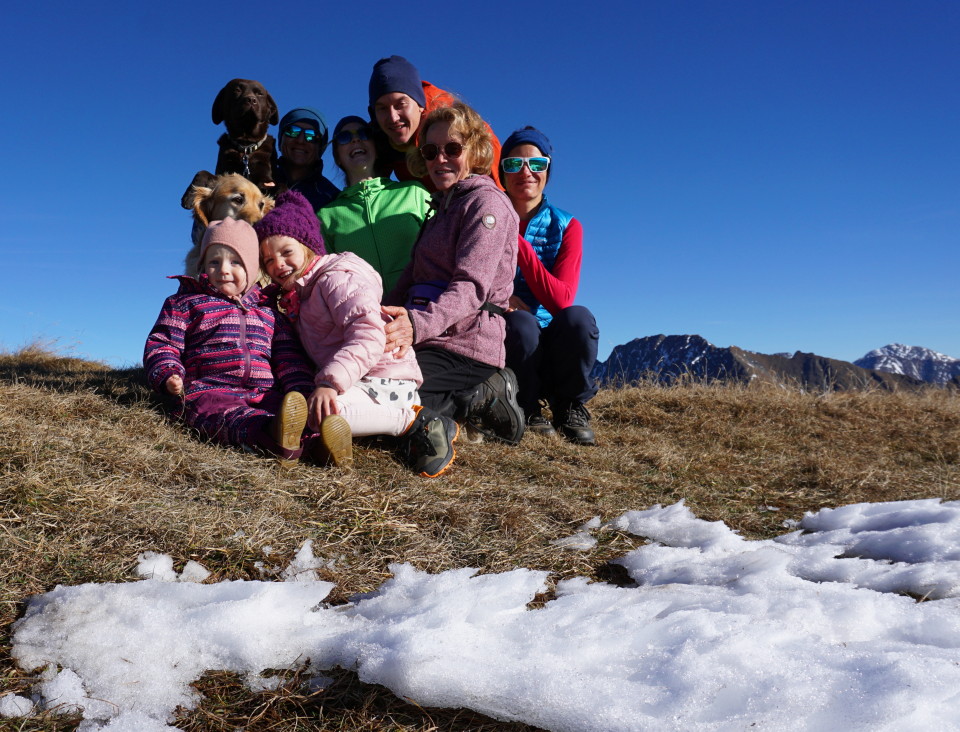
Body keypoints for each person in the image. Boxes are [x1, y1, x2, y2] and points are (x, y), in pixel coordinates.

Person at [256, 190, 458, 477]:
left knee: (328, 410)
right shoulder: (300, 294)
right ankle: (326, 441)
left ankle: (416, 420)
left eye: (286, 252)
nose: (277, 264)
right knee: (319, 410)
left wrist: (329, 382)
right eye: (268, 261)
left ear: (308, 245)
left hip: (387, 379)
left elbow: (369, 334)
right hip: (359, 379)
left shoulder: (335, 279)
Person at [382, 102, 524, 445]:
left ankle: (480, 396)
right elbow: (410, 279)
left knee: (396, 401)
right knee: (376, 381)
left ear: (474, 151)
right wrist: (381, 319)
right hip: (431, 336)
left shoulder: (486, 204)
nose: (440, 159)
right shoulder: (440, 206)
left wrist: (414, 326)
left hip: (467, 343)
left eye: (452, 148)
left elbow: (471, 287)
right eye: (431, 151)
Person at [144, 218, 315, 464]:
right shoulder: (185, 303)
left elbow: (287, 357)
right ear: (202, 266)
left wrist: (300, 389)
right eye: (214, 261)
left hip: (263, 392)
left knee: (283, 409)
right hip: (208, 390)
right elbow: (163, 343)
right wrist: (168, 372)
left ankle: (318, 441)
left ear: (252, 270)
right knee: (217, 415)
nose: (224, 269)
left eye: (235, 262)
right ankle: (271, 433)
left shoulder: (269, 313)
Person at [499, 127, 599, 445]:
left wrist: (517, 244)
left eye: (536, 164)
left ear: (547, 170)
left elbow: (562, 301)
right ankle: (526, 408)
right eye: (513, 164)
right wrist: (502, 296)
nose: (525, 172)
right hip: (508, 336)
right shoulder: (484, 218)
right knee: (521, 323)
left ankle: (568, 405)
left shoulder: (567, 225)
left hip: (552, 340)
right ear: (501, 173)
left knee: (579, 319)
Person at [318, 115, 431, 294]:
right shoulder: (326, 216)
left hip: (419, 310)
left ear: (376, 149)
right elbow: (326, 280)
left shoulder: (413, 192)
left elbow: (444, 250)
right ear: (337, 157)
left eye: (364, 134)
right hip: (362, 317)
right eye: (344, 137)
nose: (355, 139)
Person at [367, 55, 502, 191]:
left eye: (401, 104)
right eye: (382, 108)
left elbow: (504, 191)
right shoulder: (374, 140)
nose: (393, 118)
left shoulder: (465, 128)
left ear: (420, 104)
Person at [274, 107, 340, 212]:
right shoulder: (257, 183)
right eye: (292, 131)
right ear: (280, 139)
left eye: (311, 136)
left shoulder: (333, 199)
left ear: (320, 148)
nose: (300, 140)